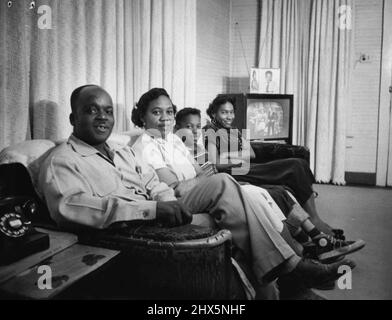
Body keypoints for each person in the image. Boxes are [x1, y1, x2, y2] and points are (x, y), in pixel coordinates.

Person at [38, 85, 355, 299]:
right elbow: (72, 208)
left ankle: (290, 275)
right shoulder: (62, 160)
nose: (103, 117)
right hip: (134, 227)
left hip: (166, 206)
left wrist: (165, 199)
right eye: (92, 111)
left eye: (107, 111)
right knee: (240, 201)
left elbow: (154, 183)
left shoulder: (121, 152)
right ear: (73, 118)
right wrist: (153, 209)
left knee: (229, 189)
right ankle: (294, 273)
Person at [174, 107, 365, 263]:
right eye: (188, 126)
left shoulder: (200, 145)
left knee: (281, 192)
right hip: (220, 182)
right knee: (275, 185)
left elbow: (248, 155)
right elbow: (209, 169)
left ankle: (316, 241)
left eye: (196, 126)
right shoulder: (182, 147)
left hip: (226, 176)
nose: (193, 130)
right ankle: (313, 245)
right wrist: (230, 161)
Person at [203, 95, 344, 237]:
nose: (229, 116)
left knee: (299, 163)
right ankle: (314, 219)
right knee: (294, 166)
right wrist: (239, 156)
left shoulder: (233, 130)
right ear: (214, 113)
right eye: (224, 112)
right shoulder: (211, 130)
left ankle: (314, 218)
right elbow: (217, 163)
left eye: (231, 112)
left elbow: (251, 154)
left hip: (247, 166)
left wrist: (229, 155)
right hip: (233, 172)